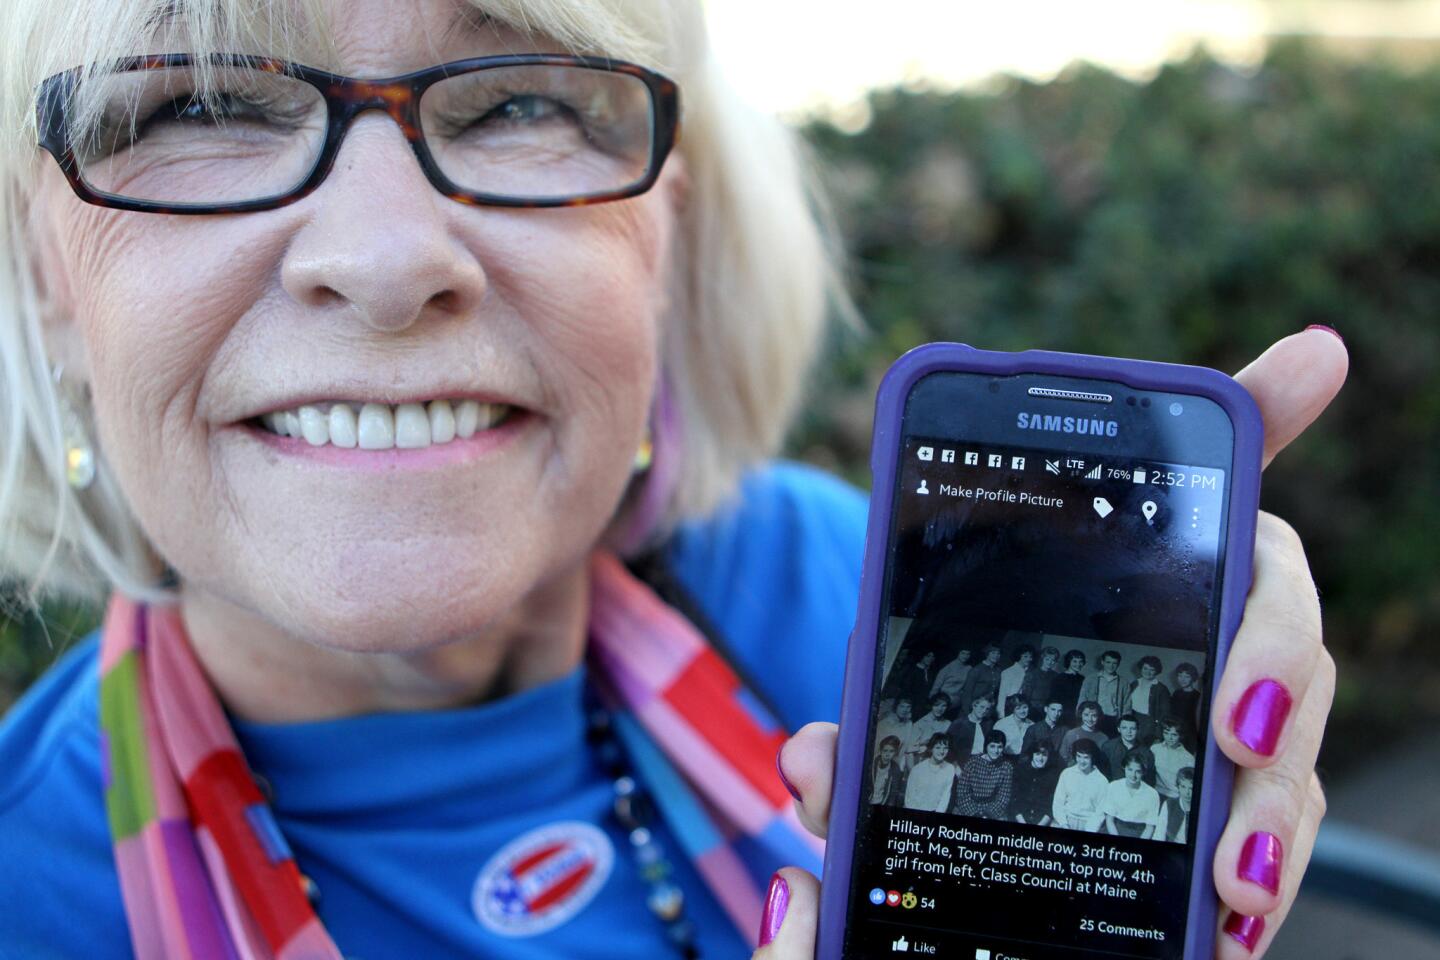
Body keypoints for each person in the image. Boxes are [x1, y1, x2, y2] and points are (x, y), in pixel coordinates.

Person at [0, 0, 1350, 953]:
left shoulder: (845, 594)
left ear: (669, 229)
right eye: (199, 103)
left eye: (524, 98)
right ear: (46, 274)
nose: (387, 252)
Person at [1052, 739, 1110, 833]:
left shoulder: (1101, 781)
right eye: (1079, 756)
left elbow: (1100, 811)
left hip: (1089, 824)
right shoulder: (1067, 774)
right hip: (1065, 821)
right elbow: (1058, 803)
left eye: (1086, 757)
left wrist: (1090, 828)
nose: (1082, 761)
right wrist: (1064, 824)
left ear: (1093, 758)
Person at [953, 731, 1013, 820]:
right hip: (969, 806)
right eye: (992, 746)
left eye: (999, 747)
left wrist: (987, 814)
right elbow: (962, 792)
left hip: (993, 809)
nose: (996, 751)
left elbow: (1003, 797)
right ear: (986, 746)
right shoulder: (972, 763)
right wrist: (973, 813)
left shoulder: (1006, 767)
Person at [1102, 752, 1163, 839]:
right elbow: (1109, 820)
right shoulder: (1114, 786)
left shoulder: (1152, 794)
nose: (1133, 775)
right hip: (1115, 830)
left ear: (1143, 772)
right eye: (1130, 769)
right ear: (1124, 768)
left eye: (1138, 771)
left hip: (1140, 833)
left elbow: (1150, 827)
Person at [903, 734, 959, 813]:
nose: (942, 751)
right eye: (938, 747)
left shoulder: (950, 769)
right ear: (931, 748)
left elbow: (945, 796)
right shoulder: (917, 769)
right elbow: (909, 799)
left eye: (945, 748)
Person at [1079, 650, 1127, 734]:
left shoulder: (1123, 682)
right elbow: (1082, 699)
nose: (1111, 666)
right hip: (1093, 718)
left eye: (1114, 663)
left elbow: (1127, 706)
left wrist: (1124, 723)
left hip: (1113, 720)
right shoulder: (1090, 679)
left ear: (1118, 664)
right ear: (1102, 662)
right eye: (1108, 662)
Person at [1011, 743, 1060, 826]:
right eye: (1037, 754)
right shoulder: (1020, 770)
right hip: (1019, 818)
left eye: (1044, 755)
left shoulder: (1053, 775)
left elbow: (1052, 804)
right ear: (1032, 755)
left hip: (1042, 821)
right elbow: (1013, 800)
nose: (1040, 758)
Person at [1128, 655, 1172, 744]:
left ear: (1157, 671)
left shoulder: (1162, 689)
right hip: (1132, 720)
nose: (1148, 672)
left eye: (1152, 670)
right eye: (1145, 668)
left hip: (1148, 725)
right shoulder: (1135, 683)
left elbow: (1165, 714)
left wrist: (1158, 735)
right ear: (1141, 669)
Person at [1101, 714, 1156, 784]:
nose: (1129, 732)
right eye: (1124, 728)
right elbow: (1102, 772)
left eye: (1132, 728)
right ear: (1118, 729)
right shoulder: (1108, 747)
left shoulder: (1146, 753)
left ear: (1138, 730)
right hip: (1113, 789)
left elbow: (1149, 778)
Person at [1151, 718, 1198, 800]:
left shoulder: (1188, 758)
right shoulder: (1155, 749)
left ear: (1180, 736)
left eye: (1174, 735)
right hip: (1155, 793)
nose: (1169, 738)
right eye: (1166, 733)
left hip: (1175, 797)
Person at [958, 644, 1002, 716]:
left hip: (988, 708)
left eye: (998, 653)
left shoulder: (999, 670)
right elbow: (967, 693)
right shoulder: (977, 670)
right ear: (987, 654)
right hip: (973, 708)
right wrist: (968, 712)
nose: (996, 656)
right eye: (993, 653)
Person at [875, 698, 918, 770]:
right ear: (896, 707)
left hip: (897, 764)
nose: (905, 710)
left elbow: (907, 747)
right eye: (902, 706)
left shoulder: (909, 724)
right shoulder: (885, 723)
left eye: (908, 707)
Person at [929, 648, 973, 718]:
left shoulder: (969, 668)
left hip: (957, 703)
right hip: (943, 702)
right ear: (958, 654)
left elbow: (967, 687)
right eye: (963, 653)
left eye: (968, 654)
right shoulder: (948, 667)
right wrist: (933, 703)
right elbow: (936, 687)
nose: (965, 656)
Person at [1156, 767, 1196, 843]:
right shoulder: (1169, 804)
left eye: (1191, 788)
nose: (1187, 792)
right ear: (1178, 787)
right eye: (1183, 787)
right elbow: (1159, 835)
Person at [1170, 663, 1204, 750]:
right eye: (1180, 676)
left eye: (1187, 676)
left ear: (1193, 678)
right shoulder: (1176, 693)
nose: (1182, 679)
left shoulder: (1197, 696)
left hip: (1190, 735)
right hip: (1175, 733)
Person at [996, 645, 1034, 717]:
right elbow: (1002, 695)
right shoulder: (1008, 672)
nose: (1029, 659)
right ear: (1019, 656)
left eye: (1030, 657)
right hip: (1011, 706)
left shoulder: (1030, 672)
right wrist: (1001, 714)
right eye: (1025, 656)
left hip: (1024, 707)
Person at [869, 737, 906, 806]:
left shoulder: (895, 769)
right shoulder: (872, 763)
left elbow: (893, 793)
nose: (887, 755)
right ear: (880, 751)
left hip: (881, 803)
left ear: (895, 753)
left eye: (891, 751)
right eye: (885, 750)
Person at [1025, 646, 1062, 714]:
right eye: (1047, 659)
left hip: (1049, 710)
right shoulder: (1032, 674)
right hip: (1033, 709)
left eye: (1053, 660)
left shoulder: (1056, 676)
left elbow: (1056, 696)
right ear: (1042, 658)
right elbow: (1026, 696)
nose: (1050, 662)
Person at [1051, 649, 1088, 715]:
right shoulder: (1059, 678)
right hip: (1062, 713)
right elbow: (1055, 699)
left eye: (1080, 662)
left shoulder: (1083, 679)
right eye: (1075, 661)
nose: (1078, 664)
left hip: (1078, 712)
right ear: (1068, 662)